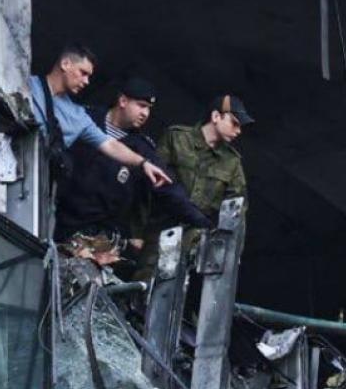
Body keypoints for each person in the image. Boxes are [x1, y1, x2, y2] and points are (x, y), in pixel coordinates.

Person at [56, 77, 210, 261]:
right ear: (122, 101)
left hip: (94, 237)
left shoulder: (143, 149)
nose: (145, 113)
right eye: (141, 105)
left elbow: (168, 188)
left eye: (149, 109)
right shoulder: (85, 118)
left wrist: (202, 222)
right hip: (54, 216)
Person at [28, 43, 171, 189]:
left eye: (89, 76)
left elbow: (109, 144)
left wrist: (143, 163)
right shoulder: (25, 85)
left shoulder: (78, 116)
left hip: (40, 191)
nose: (86, 81)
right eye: (83, 73)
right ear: (65, 64)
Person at [156, 93, 252, 221]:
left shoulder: (232, 161)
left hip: (197, 235)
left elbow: (237, 209)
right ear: (216, 116)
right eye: (234, 123)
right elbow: (150, 182)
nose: (238, 131)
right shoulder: (177, 138)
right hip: (159, 226)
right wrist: (137, 234)